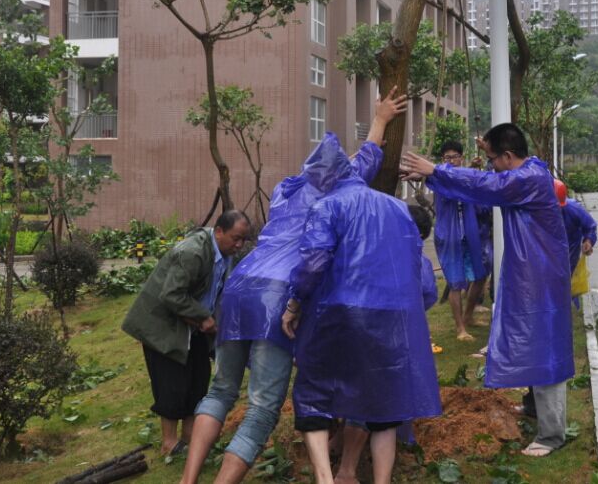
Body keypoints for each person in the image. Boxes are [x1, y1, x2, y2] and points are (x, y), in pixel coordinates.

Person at [179, 90, 406, 484]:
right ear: (341, 176)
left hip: (238, 286)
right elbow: (368, 157)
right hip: (277, 296)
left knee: (221, 390)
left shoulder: (287, 190)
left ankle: (187, 480)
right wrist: (381, 119)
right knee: (263, 408)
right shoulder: (338, 196)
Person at [400, 123, 573, 458]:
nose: (490, 164)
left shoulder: (527, 180)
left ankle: (553, 435)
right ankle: (535, 410)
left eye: (493, 157)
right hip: (534, 275)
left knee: (546, 352)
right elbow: (492, 178)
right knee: (530, 343)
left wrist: (436, 170)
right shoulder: (532, 168)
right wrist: (483, 153)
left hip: (541, 280)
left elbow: (486, 185)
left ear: (509, 156)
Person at [281, 135, 441, 484]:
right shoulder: (398, 208)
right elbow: (416, 266)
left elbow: (312, 263)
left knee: (314, 392)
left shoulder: (327, 207)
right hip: (394, 316)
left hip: (341, 315)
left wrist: (293, 304)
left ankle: (326, 478)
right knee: (384, 401)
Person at [121, 210, 252, 456]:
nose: (239, 244)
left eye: (244, 239)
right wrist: (203, 317)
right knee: (172, 384)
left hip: (192, 325)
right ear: (220, 231)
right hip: (164, 326)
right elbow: (171, 294)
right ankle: (169, 443)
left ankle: (189, 439)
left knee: (197, 379)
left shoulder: (225, 253)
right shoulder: (192, 252)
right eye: (236, 238)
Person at [333, 204, 438, 484]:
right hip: (397, 342)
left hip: (361, 333)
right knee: (387, 411)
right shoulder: (419, 261)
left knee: (360, 401)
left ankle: (345, 470)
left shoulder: (370, 251)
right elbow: (428, 294)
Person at [522, 180, 598, 418]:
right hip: (542, 264)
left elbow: (591, 227)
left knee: (562, 302)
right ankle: (531, 402)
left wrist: (588, 241)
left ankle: (562, 321)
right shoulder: (534, 213)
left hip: (567, 260)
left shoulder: (573, 210)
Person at [432, 140, 491, 341]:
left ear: (461, 157)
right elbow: (454, 182)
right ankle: (460, 329)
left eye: (455, 157)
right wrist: (471, 170)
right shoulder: (439, 178)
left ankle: (468, 317)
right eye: (447, 158)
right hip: (449, 237)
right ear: (442, 160)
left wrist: (474, 169)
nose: (451, 161)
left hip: (469, 233)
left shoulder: (465, 176)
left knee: (480, 275)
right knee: (455, 282)